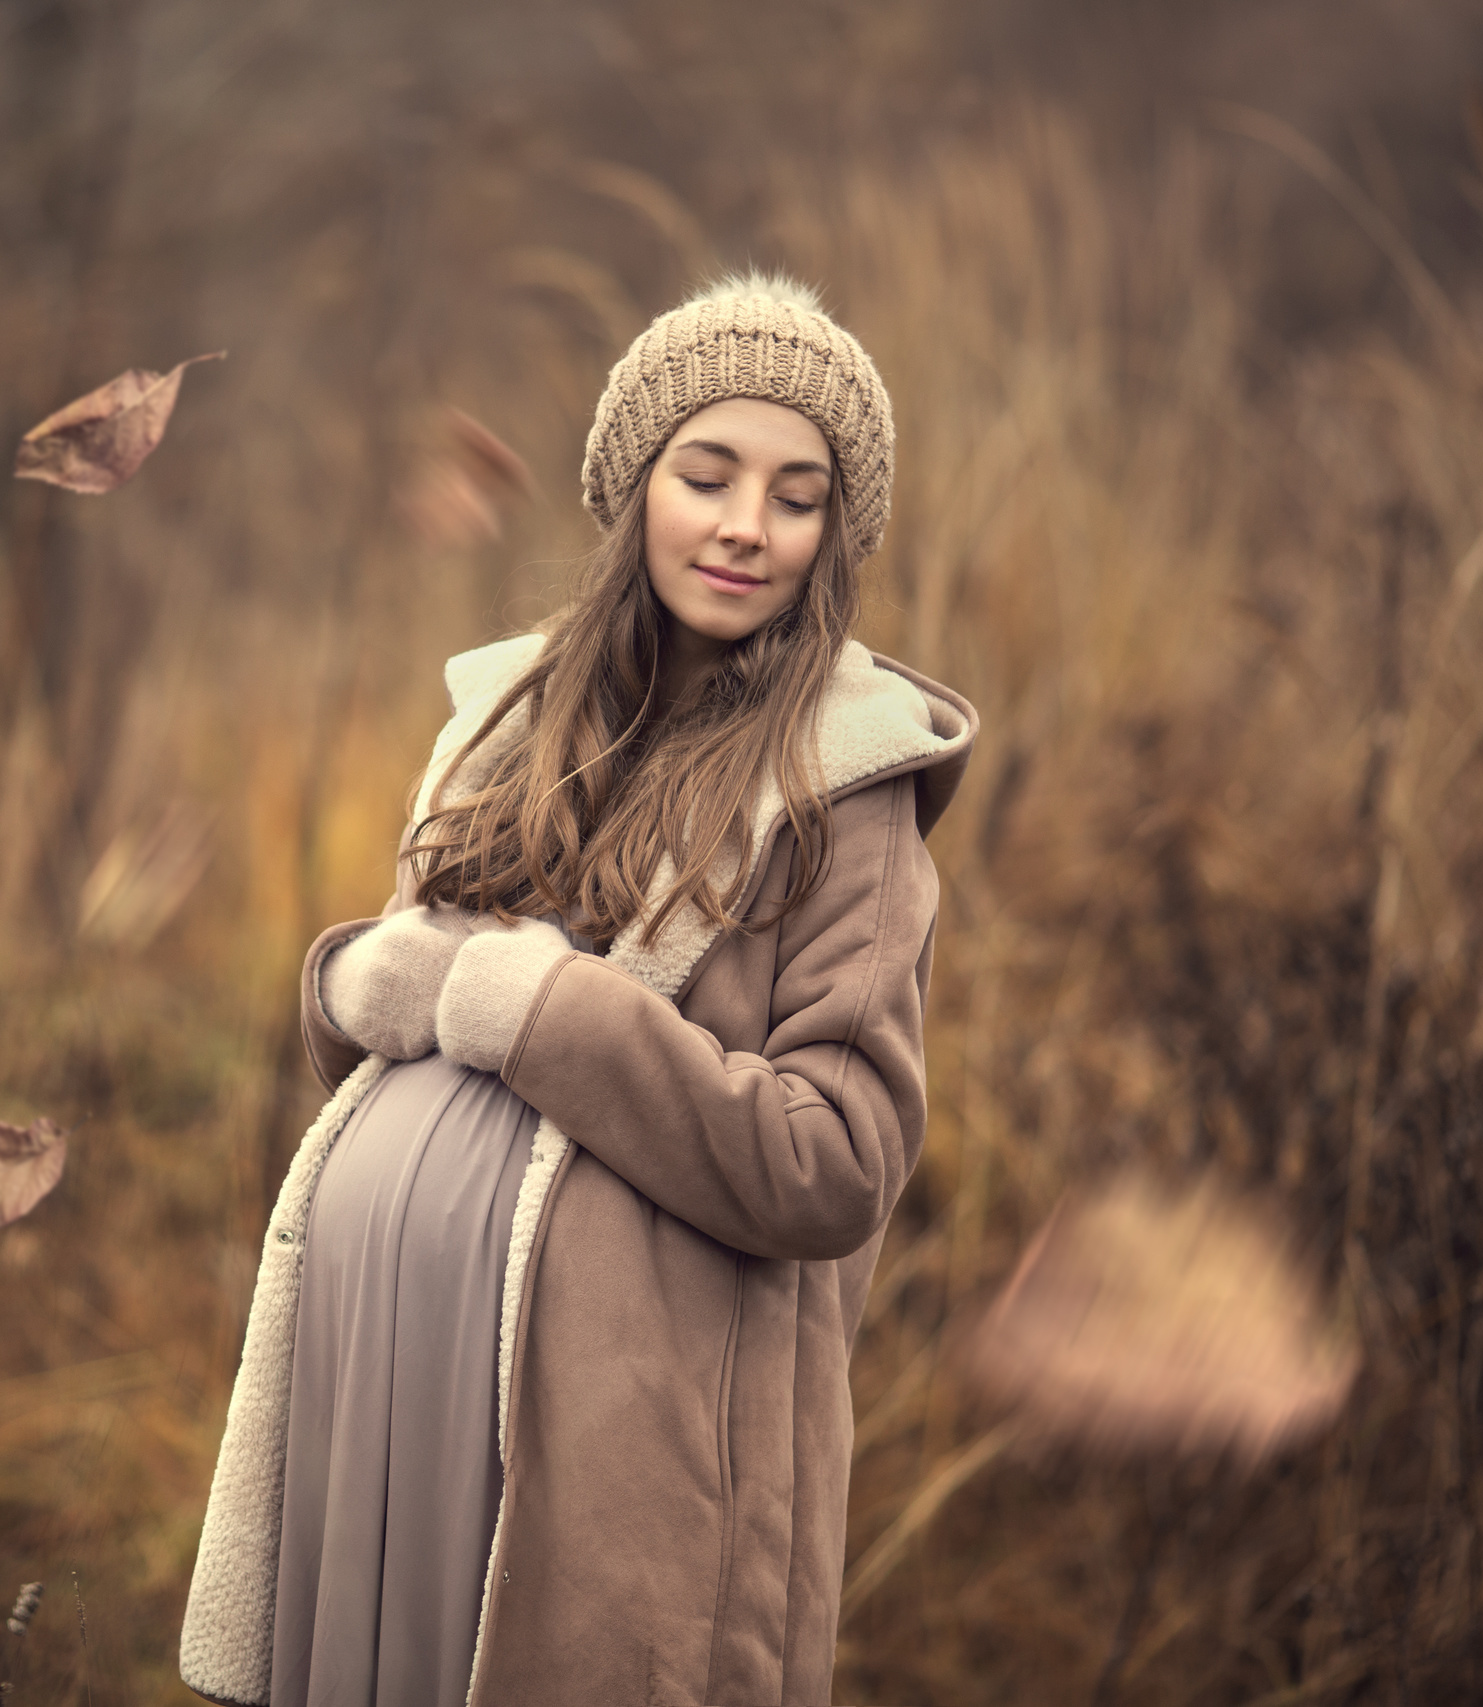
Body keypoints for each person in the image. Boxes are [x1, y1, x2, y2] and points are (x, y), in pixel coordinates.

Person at [180, 270, 978, 1707]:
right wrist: (362, 982)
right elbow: (431, 1005)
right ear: (635, 486)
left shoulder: (846, 793)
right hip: (395, 1404)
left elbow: (833, 1162)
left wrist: (541, 1013)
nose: (746, 524)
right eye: (708, 473)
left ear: (833, 535)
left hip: (621, 1464)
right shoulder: (509, 726)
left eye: (797, 496)